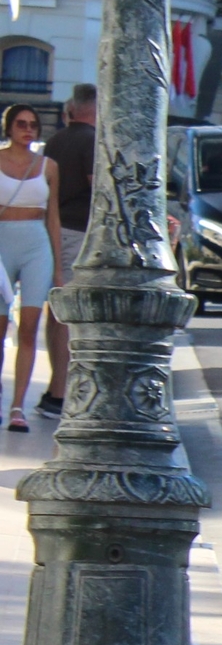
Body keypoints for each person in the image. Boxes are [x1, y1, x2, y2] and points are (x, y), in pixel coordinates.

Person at [0, 105, 59, 434]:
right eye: (21, 124)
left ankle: (18, 406)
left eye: (33, 125)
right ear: (9, 128)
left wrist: (60, 270)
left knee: (29, 327)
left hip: (36, 245)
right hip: (2, 244)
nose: (28, 130)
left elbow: (53, 217)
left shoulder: (49, 167)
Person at [37, 84, 94, 419]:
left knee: (55, 310)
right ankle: (58, 394)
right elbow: (97, 184)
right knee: (68, 315)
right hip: (76, 231)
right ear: (94, 108)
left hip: (54, 228)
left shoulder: (56, 140)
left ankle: (55, 385)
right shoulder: (89, 142)